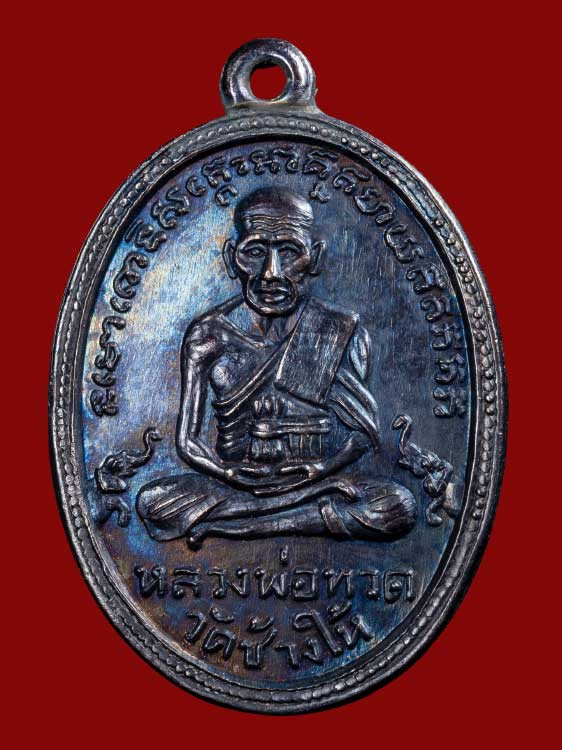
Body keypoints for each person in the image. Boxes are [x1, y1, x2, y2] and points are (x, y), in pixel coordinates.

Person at [137, 187, 416, 547]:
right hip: (237, 483)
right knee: (153, 503)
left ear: (314, 258)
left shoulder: (339, 329)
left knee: (398, 506)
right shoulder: (209, 335)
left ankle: (238, 525)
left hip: (316, 481)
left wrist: (319, 470)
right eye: (255, 252)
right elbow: (188, 442)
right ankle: (292, 518)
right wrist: (229, 472)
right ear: (232, 258)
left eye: (289, 252)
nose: (271, 273)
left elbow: (362, 436)